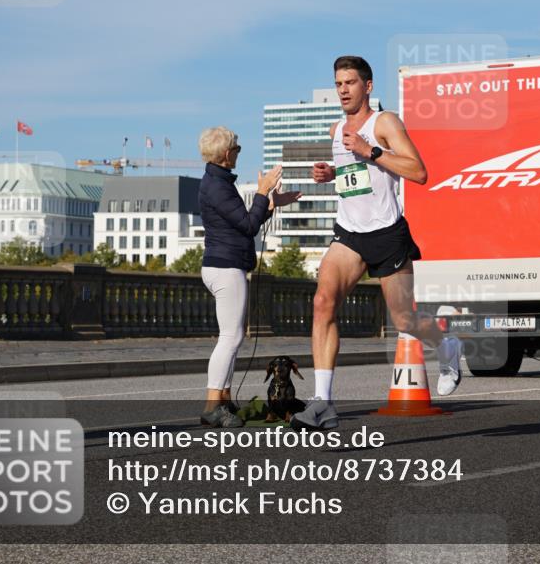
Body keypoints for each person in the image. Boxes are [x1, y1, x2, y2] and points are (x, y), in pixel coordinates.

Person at [290, 55, 463, 431]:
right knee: (322, 302)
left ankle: (447, 346)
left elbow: (418, 171)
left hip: (388, 233)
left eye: (350, 83)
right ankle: (323, 401)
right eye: (338, 84)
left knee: (403, 319)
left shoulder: (384, 122)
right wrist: (330, 173)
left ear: (367, 86)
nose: (342, 91)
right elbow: (356, 174)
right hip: (349, 234)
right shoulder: (336, 129)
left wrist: (371, 150)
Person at [197, 126, 300, 427]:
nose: (239, 152)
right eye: (238, 149)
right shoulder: (216, 186)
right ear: (227, 154)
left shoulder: (216, 183)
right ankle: (212, 405)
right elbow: (247, 226)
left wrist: (269, 205)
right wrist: (263, 191)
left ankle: (224, 400)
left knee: (233, 337)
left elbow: (244, 221)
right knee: (230, 338)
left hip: (223, 264)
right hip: (226, 267)